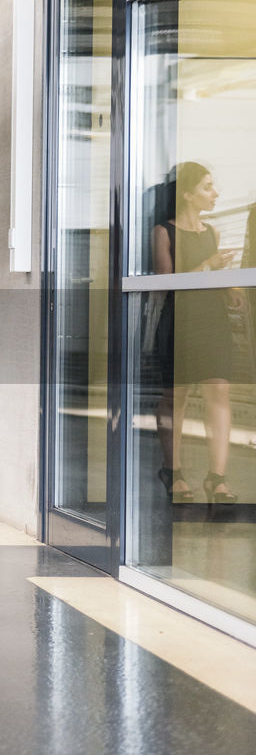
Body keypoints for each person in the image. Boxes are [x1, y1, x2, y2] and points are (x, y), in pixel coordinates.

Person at [151, 161, 240, 504]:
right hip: (180, 321)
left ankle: (217, 478)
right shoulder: (164, 232)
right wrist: (209, 266)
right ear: (187, 194)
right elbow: (165, 285)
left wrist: (230, 291)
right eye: (207, 187)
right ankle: (172, 472)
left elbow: (212, 280)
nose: (215, 193)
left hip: (213, 321)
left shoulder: (212, 233)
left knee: (220, 392)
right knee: (177, 396)